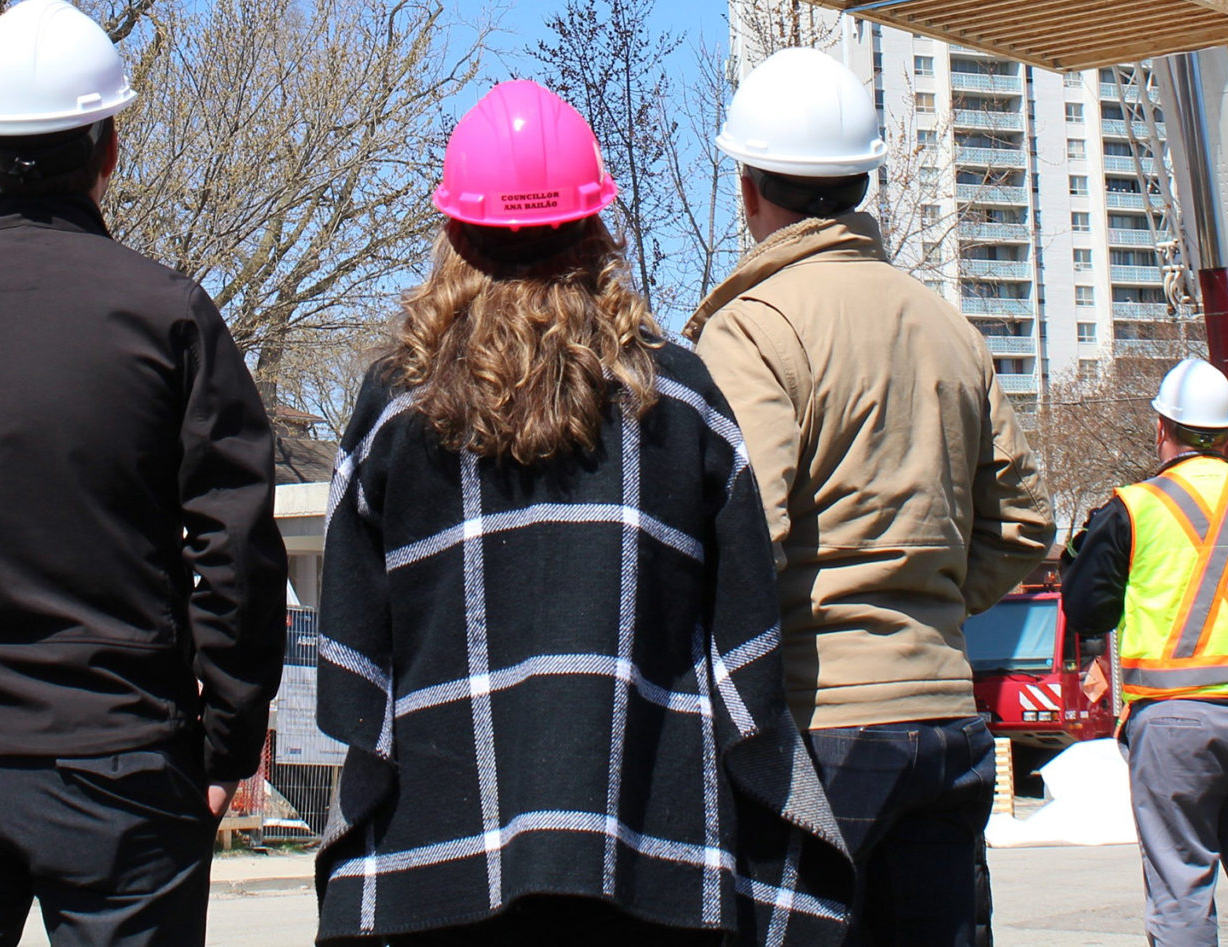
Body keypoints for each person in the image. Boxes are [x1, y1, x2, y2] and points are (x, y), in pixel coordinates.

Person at [316, 79, 853, 945]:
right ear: (598, 226)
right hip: (650, 857)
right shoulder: (678, 397)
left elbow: (351, 662)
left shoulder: (394, 409)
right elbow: (746, 649)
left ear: (453, 229)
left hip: (437, 863)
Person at [0, 0, 287, 947]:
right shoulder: (171, 319)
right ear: (108, 147)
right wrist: (227, 737)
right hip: (122, 758)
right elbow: (233, 543)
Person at [685, 47, 1051, 947]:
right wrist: (923, 597)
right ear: (859, 181)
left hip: (821, 731)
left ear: (747, 188)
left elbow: (745, 529)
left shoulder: (755, 327)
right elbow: (1025, 522)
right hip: (942, 721)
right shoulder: (945, 324)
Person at [1062, 356, 1228, 947]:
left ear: (1163, 427)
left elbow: (1087, 609)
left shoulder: (1130, 508)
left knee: (1180, 888)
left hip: (1171, 717)